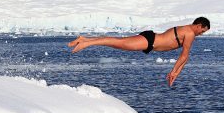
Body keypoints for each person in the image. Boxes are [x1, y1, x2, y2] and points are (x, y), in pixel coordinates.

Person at [68, 17, 211, 87]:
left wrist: (176, 72)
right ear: (199, 25)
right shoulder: (190, 33)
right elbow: (184, 55)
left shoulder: (186, 29)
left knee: (118, 43)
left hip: (150, 40)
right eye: (202, 31)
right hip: (150, 41)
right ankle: (85, 43)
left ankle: (85, 39)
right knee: (117, 42)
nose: (201, 34)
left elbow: (186, 57)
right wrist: (174, 71)